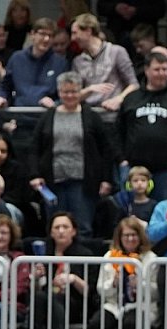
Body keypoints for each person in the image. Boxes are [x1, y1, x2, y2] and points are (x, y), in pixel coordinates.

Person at [31, 73, 117, 233]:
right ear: (59, 92)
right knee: (56, 227)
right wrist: (35, 175)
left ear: (80, 91)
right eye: (65, 92)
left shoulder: (92, 117)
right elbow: (35, 148)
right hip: (53, 181)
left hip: (84, 183)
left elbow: (106, 149)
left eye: (73, 91)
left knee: (83, 226)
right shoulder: (48, 116)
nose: (69, 96)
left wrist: (106, 179)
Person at [116, 52, 167, 205]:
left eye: (165, 69)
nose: (161, 73)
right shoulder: (131, 98)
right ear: (146, 70)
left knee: (165, 213)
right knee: (131, 214)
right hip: (134, 171)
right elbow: (117, 132)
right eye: (157, 69)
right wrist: (122, 160)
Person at [26, 211, 97, 329]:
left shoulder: (85, 254)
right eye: (57, 227)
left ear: (73, 231)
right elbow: (34, 289)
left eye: (65, 227)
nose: (61, 231)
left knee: (54, 297)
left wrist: (74, 279)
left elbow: (89, 291)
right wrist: (36, 277)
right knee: (39, 296)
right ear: (51, 232)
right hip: (45, 302)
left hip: (73, 304)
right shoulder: (44, 253)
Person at [91, 215, 158, 329]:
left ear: (140, 236)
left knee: (130, 325)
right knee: (97, 323)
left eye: (134, 235)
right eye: (126, 235)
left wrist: (140, 285)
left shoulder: (151, 258)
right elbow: (100, 289)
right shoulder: (110, 256)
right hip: (114, 304)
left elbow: (156, 292)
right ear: (119, 237)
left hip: (140, 305)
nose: (130, 239)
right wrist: (113, 283)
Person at [0, 19, 69, 112]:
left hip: (46, 115)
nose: (46, 39)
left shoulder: (60, 63)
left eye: (51, 36)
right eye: (42, 34)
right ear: (32, 35)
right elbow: (5, 86)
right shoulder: (17, 58)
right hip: (20, 115)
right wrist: (1, 97)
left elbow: (67, 93)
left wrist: (55, 103)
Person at [70, 13, 137, 110]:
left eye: (75, 33)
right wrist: (89, 89)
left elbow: (134, 85)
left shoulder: (116, 52)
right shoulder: (78, 61)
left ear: (88, 31)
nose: (72, 38)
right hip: (88, 113)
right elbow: (73, 95)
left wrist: (119, 99)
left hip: (112, 112)